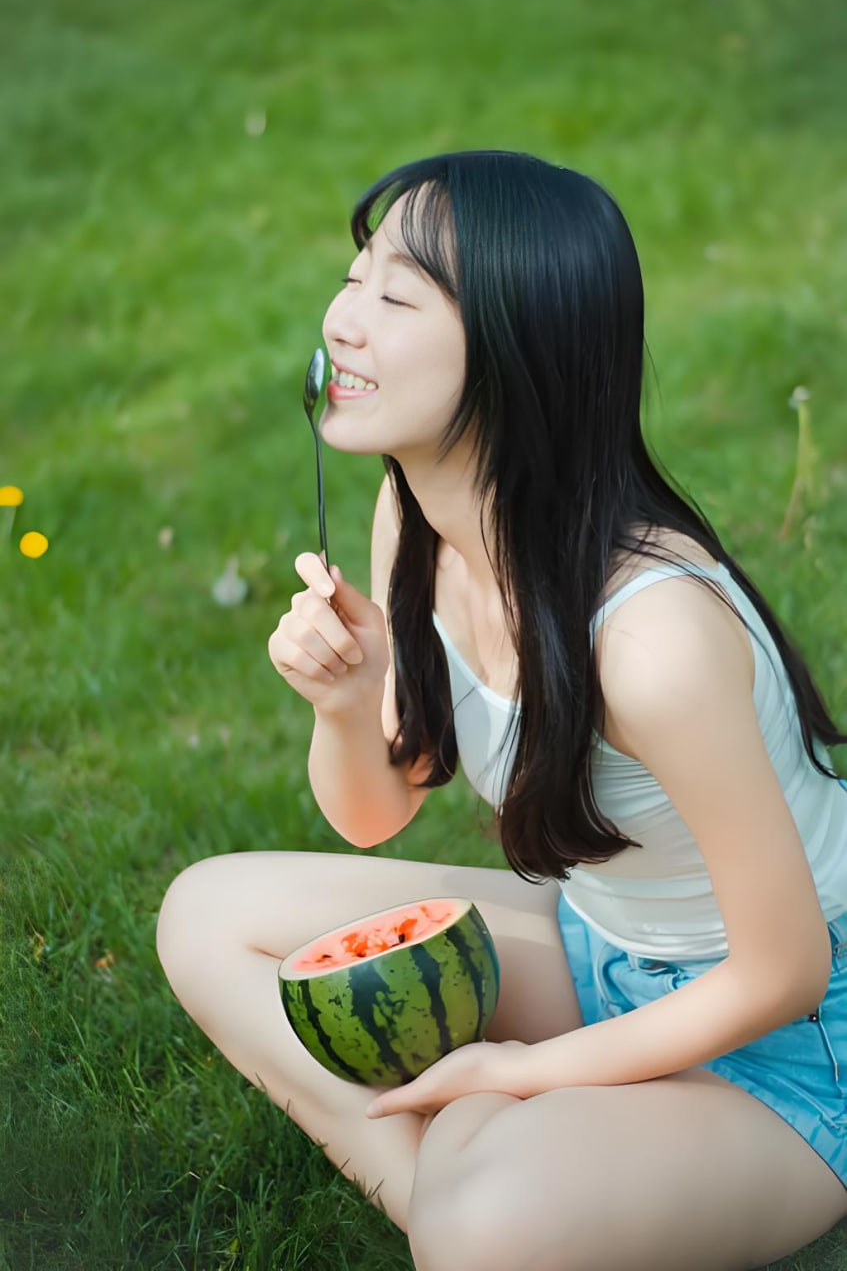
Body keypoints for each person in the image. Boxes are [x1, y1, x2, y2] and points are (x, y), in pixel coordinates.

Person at [156, 150, 847, 1271]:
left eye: (397, 298)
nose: (341, 321)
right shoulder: (410, 523)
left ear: (518, 349)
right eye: (354, 278)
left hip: (794, 1040)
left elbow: (784, 970)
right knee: (205, 914)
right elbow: (376, 813)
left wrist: (517, 1070)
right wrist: (346, 702)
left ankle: (476, 1192)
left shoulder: (652, 640)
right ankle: (448, 1189)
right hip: (597, 948)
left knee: (486, 1224)